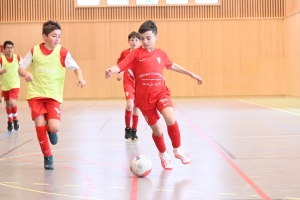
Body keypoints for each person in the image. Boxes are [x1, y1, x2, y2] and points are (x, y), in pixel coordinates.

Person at [105, 20, 203, 170]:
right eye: (142, 38)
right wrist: (111, 70)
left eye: (148, 38)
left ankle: (178, 150)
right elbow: (122, 65)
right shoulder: (136, 54)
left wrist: (191, 74)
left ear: (156, 37)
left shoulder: (161, 54)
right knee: (157, 131)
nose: (144, 41)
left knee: (170, 118)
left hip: (161, 93)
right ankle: (163, 154)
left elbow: (172, 65)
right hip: (144, 100)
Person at [18, 20, 86, 170]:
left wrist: (79, 77)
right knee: (39, 124)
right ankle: (47, 156)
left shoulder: (62, 52)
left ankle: (51, 130)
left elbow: (76, 68)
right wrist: (26, 74)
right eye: (54, 36)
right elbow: (20, 69)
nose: (57, 39)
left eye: (59, 36)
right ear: (44, 36)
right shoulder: (34, 51)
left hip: (53, 95)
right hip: (35, 94)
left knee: (54, 127)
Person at [116, 31, 140, 140]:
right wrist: (120, 73)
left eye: (136, 40)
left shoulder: (142, 53)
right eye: (132, 40)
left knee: (136, 107)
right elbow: (121, 65)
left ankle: (134, 130)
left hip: (139, 84)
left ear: (139, 41)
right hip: (128, 82)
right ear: (128, 41)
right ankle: (127, 128)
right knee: (130, 105)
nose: (134, 42)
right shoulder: (124, 53)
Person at [0, 41, 22, 132]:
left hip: (15, 84)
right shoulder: (1, 59)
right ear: (4, 49)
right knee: (8, 104)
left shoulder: (18, 57)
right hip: (5, 85)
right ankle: (10, 121)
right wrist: (2, 72)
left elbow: (23, 67)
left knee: (12, 102)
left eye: (11, 47)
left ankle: (15, 120)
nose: (10, 49)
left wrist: (23, 73)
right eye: (8, 47)